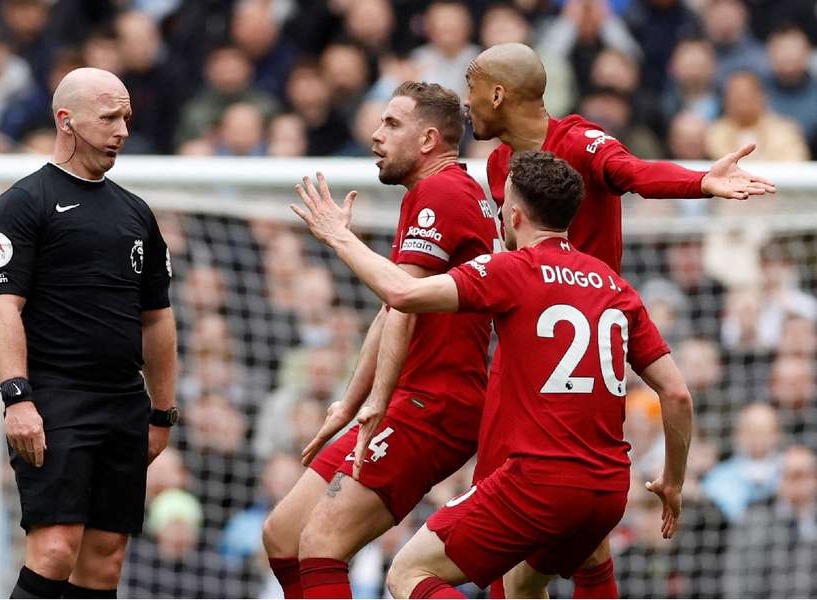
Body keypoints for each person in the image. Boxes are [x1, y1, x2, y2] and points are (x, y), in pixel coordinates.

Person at [291, 150, 693, 599]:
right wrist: (673, 482)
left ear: (515, 213)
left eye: (502, 205)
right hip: (608, 489)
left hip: (538, 482)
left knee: (408, 574)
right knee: (522, 586)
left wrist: (338, 237)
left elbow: (402, 293)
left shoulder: (514, 270)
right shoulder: (616, 287)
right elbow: (676, 394)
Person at [463, 41, 774, 598]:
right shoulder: (496, 166)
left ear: (498, 93)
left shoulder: (580, 140)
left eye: (472, 90)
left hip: (581, 357)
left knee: (566, 534)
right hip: (519, 352)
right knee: (528, 530)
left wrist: (700, 181)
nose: (467, 105)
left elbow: (633, 171)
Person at [261, 82, 500, 598]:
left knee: (322, 543)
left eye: (392, 124)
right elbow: (394, 307)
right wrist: (349, 402)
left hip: (430, 404)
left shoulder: (442, 192)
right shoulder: (436, 192)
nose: (375, 135)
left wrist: (338, 235)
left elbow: (402, 298)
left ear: (429, 139)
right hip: (403, 398)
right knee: (282, 535)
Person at [0, 67, 177, 598]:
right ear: (66, 121)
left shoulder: (136, 213)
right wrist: (16, 397)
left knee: (105, 562)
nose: (123, 130)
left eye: (126, 117)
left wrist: (161, 411)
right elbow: (3, 310)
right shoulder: (23, 203)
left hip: (122, 403)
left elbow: (157, 318)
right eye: (109, 117)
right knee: (54, 549)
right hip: (54, 399)